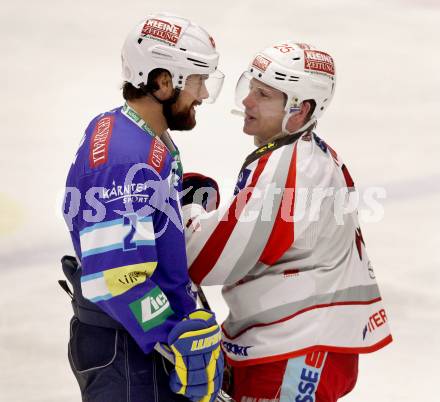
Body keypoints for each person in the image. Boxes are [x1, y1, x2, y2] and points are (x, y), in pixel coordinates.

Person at [181, 41, 392, 401]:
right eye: (250, 87)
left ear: (301, 109)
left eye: (263, 94)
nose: (247, 101)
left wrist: (189, 208)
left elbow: (205, 259)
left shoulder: (289, 169)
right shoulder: (304, 154)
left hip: (299, 346)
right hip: (300, 340)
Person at [61, 13, 225, 402]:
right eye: (198, 81)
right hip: (130, 351)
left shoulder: (130, 129)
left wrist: (173, 195)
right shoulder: (124, 157)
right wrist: (172, 335)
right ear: (163, 82)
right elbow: (116, 277)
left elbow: (123, 213)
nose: (202, 95)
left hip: (130, 343)